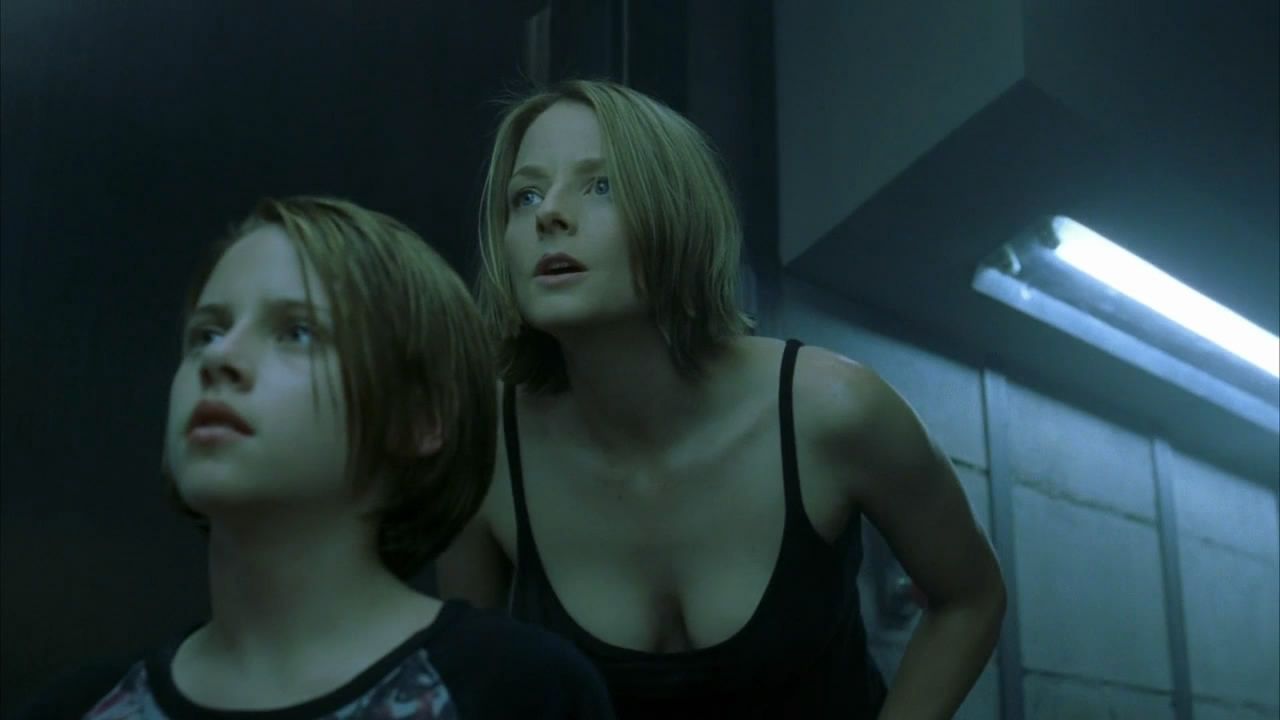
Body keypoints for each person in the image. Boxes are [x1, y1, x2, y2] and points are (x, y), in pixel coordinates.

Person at [436, 80, 1008, 719]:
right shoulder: (484, 445)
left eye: (601, 186)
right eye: (526, 195)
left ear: (678, 215)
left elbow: (970, 597)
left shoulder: (833, 408)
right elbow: (474, 681)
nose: (549, 215)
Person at [23, 197, 615, 719]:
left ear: (418, 419)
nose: (219, 359)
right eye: (206, 334)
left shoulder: (515, 692)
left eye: (297, 332)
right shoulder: (76, 708)